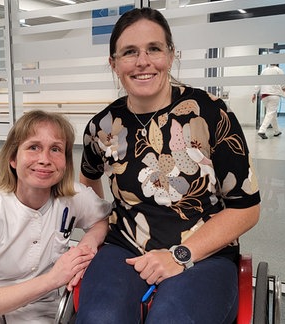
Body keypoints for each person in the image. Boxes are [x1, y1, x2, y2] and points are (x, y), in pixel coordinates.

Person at [76, 7, 260, 324]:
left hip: (204, 254)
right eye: (129, 52)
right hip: (125, 248)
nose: (142, 61)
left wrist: (180, 255)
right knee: (100, 318)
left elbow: (247, 209)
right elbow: (87, 185)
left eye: (154, 49)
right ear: (114, 63)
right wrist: (97, 231)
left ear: (171, 55)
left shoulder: (210, 114)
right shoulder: (102, 127)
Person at [0, 110, 112, 324]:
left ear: (65, 162)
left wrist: (88, 244)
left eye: (55, 149)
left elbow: (103, 220)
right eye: (33, 147)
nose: (44, 159)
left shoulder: (74, 197)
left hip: (38, 305)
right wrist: (53, 279)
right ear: (13, 158)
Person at [251, 63, 285, 139]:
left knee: (272, 114)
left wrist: (254, 93)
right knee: (270, 113)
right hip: (274, 95)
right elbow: (283, 84)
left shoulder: (264, 71)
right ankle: (262, 131)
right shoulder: (279, 70)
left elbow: (258, 83)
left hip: (264, 96)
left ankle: (277, 131)